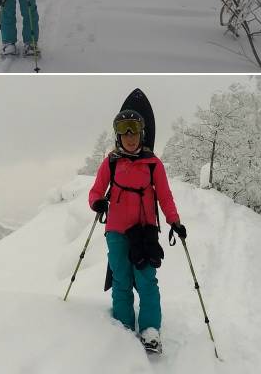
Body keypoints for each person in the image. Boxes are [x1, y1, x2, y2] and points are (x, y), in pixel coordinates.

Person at [88, 109, 187, 353]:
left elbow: (165, 196)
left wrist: (174, 221)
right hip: (117, 232)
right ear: (118, 136)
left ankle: (150, 330)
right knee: (121, 279)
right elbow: (96, 191)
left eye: (134, 130)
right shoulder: (111, 162)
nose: (130, 137)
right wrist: (97, 203)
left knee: (146, 281)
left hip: (145, 232)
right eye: (124, 132)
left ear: (142, 133)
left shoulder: (153, 163)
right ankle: (123, 328)